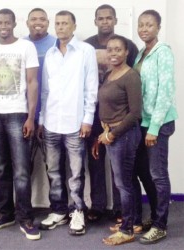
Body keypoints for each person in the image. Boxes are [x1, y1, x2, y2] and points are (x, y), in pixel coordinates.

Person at [0, 8, 40, 240]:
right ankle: (6, 214)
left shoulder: (26, 47)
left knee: (22, 170)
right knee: (2, 168)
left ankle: (25, 217)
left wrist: (31, 117)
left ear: (15, 24)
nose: (3, 26)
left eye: (7, 22)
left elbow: (33, 82)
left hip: (17, 114)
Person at [38, 10, 98, 235]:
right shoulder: (51, 54)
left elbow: (91, 88)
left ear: (74, 26)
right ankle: (59, 210)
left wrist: (87, 119)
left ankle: (77, 211)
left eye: (65, 23)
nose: (61, 27)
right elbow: (45, 91)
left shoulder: (86, 51)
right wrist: (42, 119)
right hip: (52, 122)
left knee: (75, 172)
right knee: (53, 170)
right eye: (58, 23)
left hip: (75, 123)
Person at [84, 4, 139, 223]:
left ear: (115, 20)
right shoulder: (86, 45)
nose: (105, 21)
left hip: (120, 115)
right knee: (96, 161)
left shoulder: (128, 45)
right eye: (101, 18)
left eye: (109, 18)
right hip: (93, 113)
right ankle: (97, 206)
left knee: (121, 166)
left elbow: (131, 77)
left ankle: (120, 209)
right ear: (95, 20)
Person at [134, 9, 178, 244]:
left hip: (158, 124)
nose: (144, 29)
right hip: (142, 122)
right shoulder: (141, 53)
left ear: (158, 27)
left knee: (158, 174)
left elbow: (165, 92)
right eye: (141, 25)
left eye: (149, 25)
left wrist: (154, 127)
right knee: (144, 172)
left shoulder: (163, 53)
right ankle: (154, 215)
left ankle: (160, 225)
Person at [25, 8, 69, 230]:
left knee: (55, 167)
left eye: (42, 19)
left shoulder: (56, 45)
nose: (38, 22)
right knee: (23, 166)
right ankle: (23, 210)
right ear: (26, 22)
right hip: (24, 115)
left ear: (49, 22)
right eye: (34, 19)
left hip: (52, 116)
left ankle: (58, 208)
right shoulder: (21, 45)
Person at [97, 35, 142, 246]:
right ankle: (132, 221)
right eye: (110, 49)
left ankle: (126, 230)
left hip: (123, 136)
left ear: (126, 52)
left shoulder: (131, 76)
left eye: (118, 50)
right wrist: (105, 132)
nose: (113, 53)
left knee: (123, 184)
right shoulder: (109, 73)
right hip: (111, 134)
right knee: (128, 181)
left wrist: (112, 134)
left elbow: (134, 114)